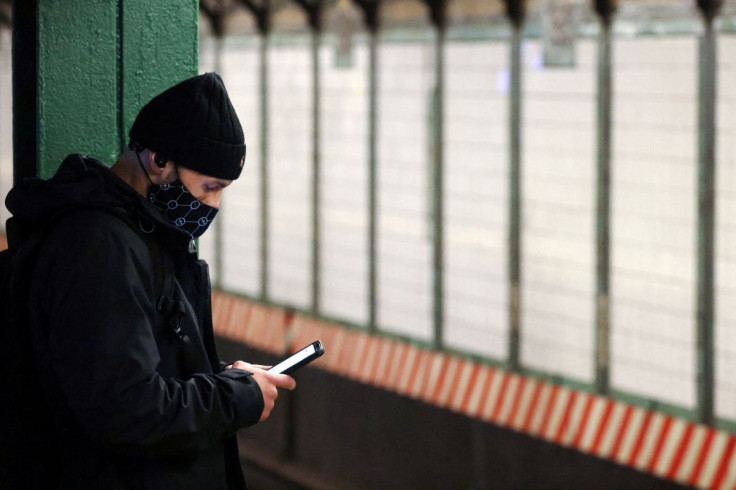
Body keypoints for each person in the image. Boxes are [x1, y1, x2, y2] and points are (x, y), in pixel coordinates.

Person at [4, 72, 295, 489]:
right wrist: (235, 399)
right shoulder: (99, 247)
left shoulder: (140, 235)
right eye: (209, 187)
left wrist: (227, 377)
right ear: (159, 160)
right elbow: (127, 409)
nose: (213, 205)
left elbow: (143, 365)